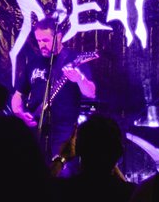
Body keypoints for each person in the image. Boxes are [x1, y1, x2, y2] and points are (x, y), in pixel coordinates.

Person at [11, 17, 96, 162]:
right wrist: (19, 113)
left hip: (64, 130)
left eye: (45, 40)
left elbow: (91, 93)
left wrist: (79, 79)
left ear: (59, 37)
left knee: (62, 171)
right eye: (38, 41)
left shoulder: (74, 59)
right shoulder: (34, 63)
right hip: (36, 128)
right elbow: (18, 95)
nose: (41, 45)